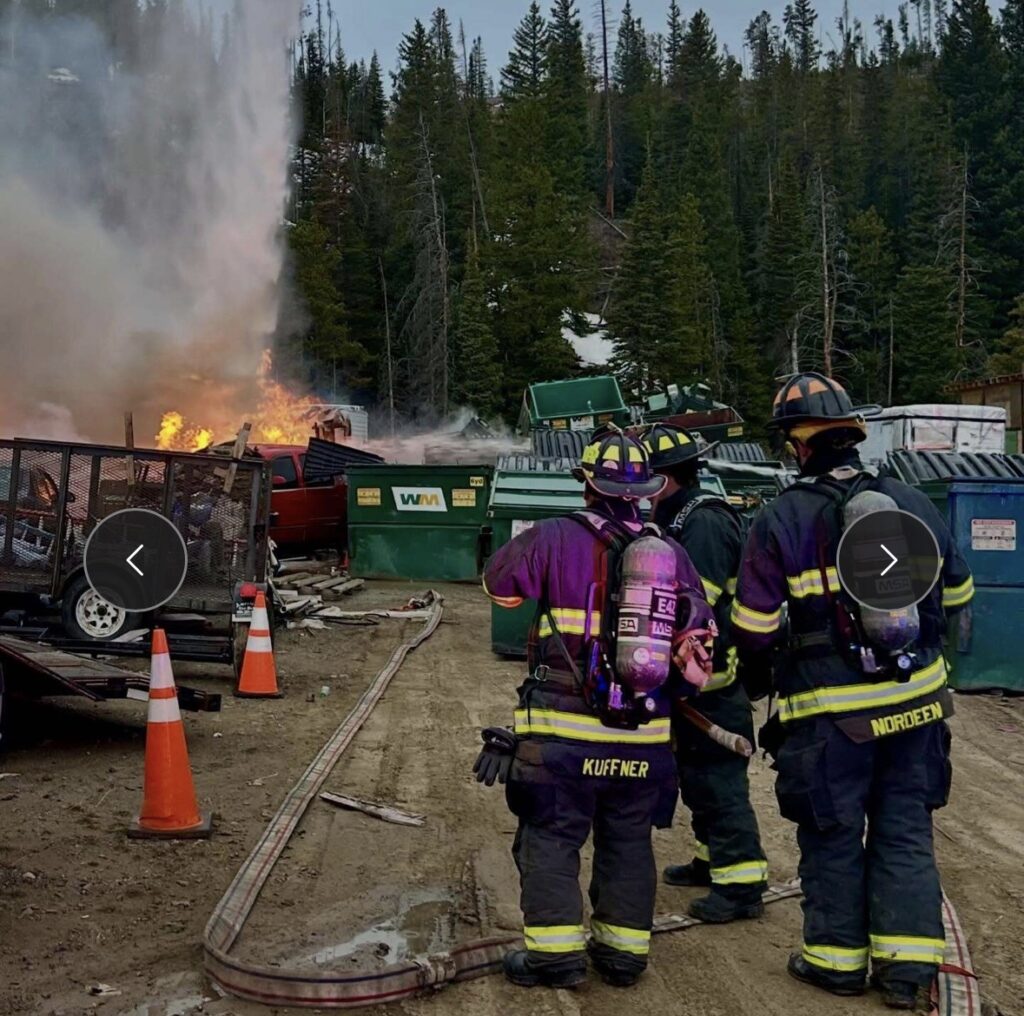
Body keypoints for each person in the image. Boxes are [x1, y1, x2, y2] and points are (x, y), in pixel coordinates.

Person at [731, 372, 974, 1012]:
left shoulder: (780, 518)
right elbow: (958, 594)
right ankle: (907, 971)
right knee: (905, 829)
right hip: (917, 703)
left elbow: (754, 628)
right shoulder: (909, 500)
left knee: (833, 832)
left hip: (831, 715)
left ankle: (834, 962)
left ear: (797, 444)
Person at [481, 429, 714, 990]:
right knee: (628, 842)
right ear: (647, 491)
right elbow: (701, 638)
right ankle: (623, 955)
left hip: (563, 737)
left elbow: (500, 587)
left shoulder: (552, 536)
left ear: (586, 483)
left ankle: (555, 958)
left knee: (551, 838)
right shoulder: (671, 555)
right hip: (644, 737)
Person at [641, 423, 768, 923]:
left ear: (664, 479)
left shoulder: (705, 522)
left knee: (719, 784)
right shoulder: (676, 516)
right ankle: (710, 860)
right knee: (696, 777)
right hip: (689, 683)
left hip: (714, 686)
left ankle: (741, 886)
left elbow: (697, 605)